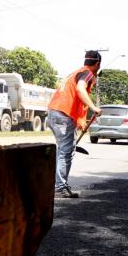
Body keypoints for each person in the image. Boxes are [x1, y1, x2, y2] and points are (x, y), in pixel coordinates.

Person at [47, 50, 102, 198]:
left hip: (53, 113)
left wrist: (80, 120)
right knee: (66, 152)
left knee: (62, 151)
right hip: (62, 116)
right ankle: (60, 187)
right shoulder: (87, 73)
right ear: (97, 64)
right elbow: (79, 90)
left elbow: (74, 100)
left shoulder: (75, 72)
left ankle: (56, 184)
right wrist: (94, 107)